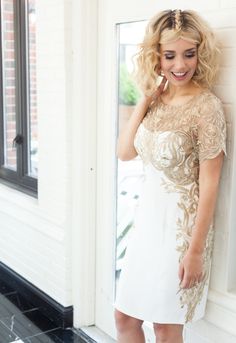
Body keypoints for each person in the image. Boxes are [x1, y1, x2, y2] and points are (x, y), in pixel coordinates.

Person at [113, 9, 227, 343]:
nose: (180, 65)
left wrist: (194, 251)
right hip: (147, 224)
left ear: (199, 53)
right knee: (124, 317)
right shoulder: (156, 100)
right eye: (170, 55)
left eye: (189, 54)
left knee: (165, 326)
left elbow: (210, 184)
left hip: (181, 232)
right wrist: (144, 101)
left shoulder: (207, 107)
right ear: (156, 56)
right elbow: (124, 152)